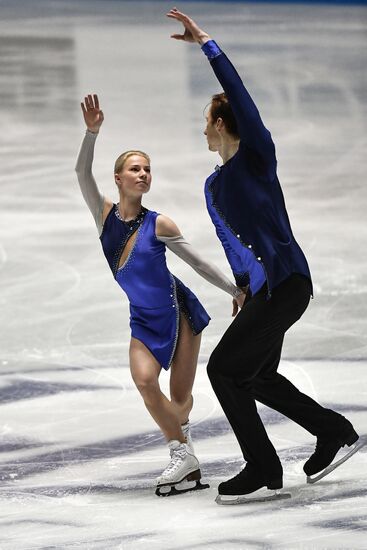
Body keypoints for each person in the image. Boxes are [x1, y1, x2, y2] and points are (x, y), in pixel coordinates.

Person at [167, 8, 361, 503]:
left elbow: (245, 104)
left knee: (224, 370)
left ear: (220, 122)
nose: (202, 132)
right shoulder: (213, 184)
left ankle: (262, 464)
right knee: (253, 374)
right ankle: (332, 430)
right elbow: (236, 244)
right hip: (264, 291)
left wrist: (209, 45)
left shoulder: (257, 159)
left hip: (288, 283)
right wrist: (243, 289)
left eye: (206, 123)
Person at [75, 94, 245, 497]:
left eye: (147, 169)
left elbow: (198, 264)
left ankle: (183, 457)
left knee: (180, 402)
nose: (143, 174)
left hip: (179, 313)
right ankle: (182, 454)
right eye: (135, 169)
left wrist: (235, 290)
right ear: (119, 179)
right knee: (145, 381)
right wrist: (91, 132)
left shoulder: (160, 224)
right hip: (143, 317)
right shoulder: (104, 216)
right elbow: (82, 173)